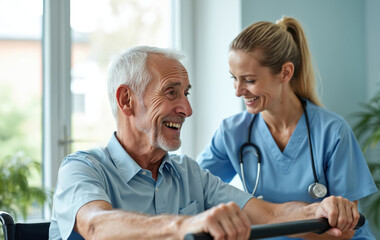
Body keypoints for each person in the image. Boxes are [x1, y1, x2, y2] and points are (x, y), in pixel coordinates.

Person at [49, 46, 360, 240]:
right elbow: (96, 227)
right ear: (126, 100)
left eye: (187, 93)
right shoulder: (82, 169)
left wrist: (321, 209)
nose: (187, 109)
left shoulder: (188, 174)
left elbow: (270, 215)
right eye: (171, 92)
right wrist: (184, 226)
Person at [198, 17, 378, 240]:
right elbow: (195, 188)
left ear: (285, 73)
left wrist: (271, 223)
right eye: (234, 78)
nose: (238, 91)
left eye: (249, 80)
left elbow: (345, 231)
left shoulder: (332, 132)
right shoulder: (232, 133)